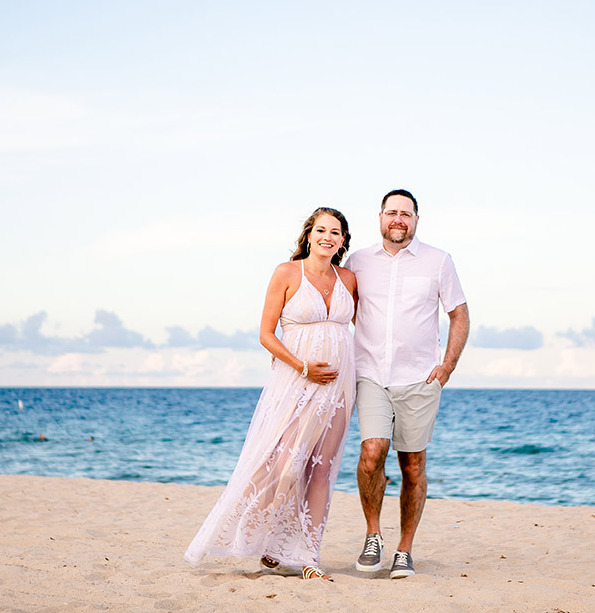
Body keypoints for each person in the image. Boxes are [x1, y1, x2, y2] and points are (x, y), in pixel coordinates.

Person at [184, 207, 358, 582]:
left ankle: (309, 554)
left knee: (323, 470)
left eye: (336, 232)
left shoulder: (349, 278)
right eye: (322, 230)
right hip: (297, 382)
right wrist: (303, 366)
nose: (328, 237)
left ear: (343, 240)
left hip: (340, 389)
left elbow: (360, 329)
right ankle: (268, 542)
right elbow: (266, 334)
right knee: (285, 465)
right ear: (309, 234)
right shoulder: (286, 272)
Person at [346, 189, 469, 579]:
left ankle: (404, 550)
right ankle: (372, 536)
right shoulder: (357, 262)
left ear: (416, 220)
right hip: (370, 375)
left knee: (413, 466)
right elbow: (342, 311)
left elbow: (459, 314)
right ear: (380, 217)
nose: (398, 219)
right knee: (372, 451)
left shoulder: (438, 261)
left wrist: (447, 365)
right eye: (392, 212)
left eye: (406, 213)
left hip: (419, 377)